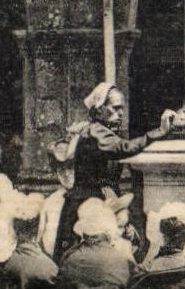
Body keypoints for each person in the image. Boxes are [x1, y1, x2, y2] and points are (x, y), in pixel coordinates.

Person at [53, 83, 175, 258]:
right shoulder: (95, 131)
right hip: (88, 203)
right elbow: (124, 147)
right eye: (115, 108)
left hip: (101, 199)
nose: (121, 114)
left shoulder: (103, 132)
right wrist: (161, 131)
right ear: (100, 109)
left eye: (122, 109)